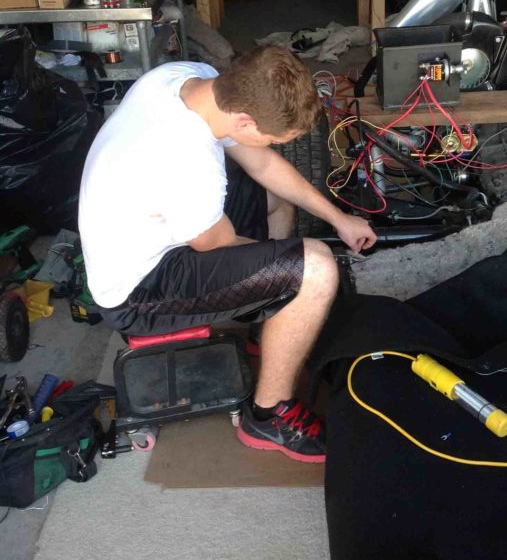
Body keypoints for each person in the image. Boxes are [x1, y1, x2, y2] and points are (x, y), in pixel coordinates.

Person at [79, 48, 376, 463]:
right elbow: (218, 245)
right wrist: (301, 280)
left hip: (155, 232)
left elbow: (262, 163)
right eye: (273, 137)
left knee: (276, 199)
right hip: (138, 291)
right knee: (317, 269)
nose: (273, 145)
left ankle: (271, 323)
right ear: (245, 122)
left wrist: (338, 217)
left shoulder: (191, 79)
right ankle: (269, 416)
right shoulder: (185, 159)